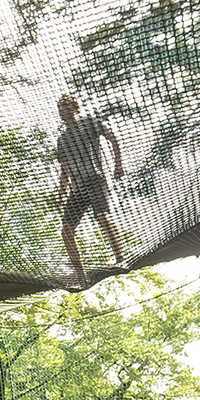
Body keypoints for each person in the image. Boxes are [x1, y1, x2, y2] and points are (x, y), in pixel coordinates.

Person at [56, 94, 127, 288]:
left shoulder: (89, 122)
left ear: (75, 108)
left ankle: (121, 258)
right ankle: (80, 276)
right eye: (60, 107)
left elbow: (112, 137)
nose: (63, 110)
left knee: (103, 216)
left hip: (95, 179)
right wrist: (61, 195)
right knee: (66, 230)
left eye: (66, 106)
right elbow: (65, 171)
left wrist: (117, 165)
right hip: (78, 187)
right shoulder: (62, 140)